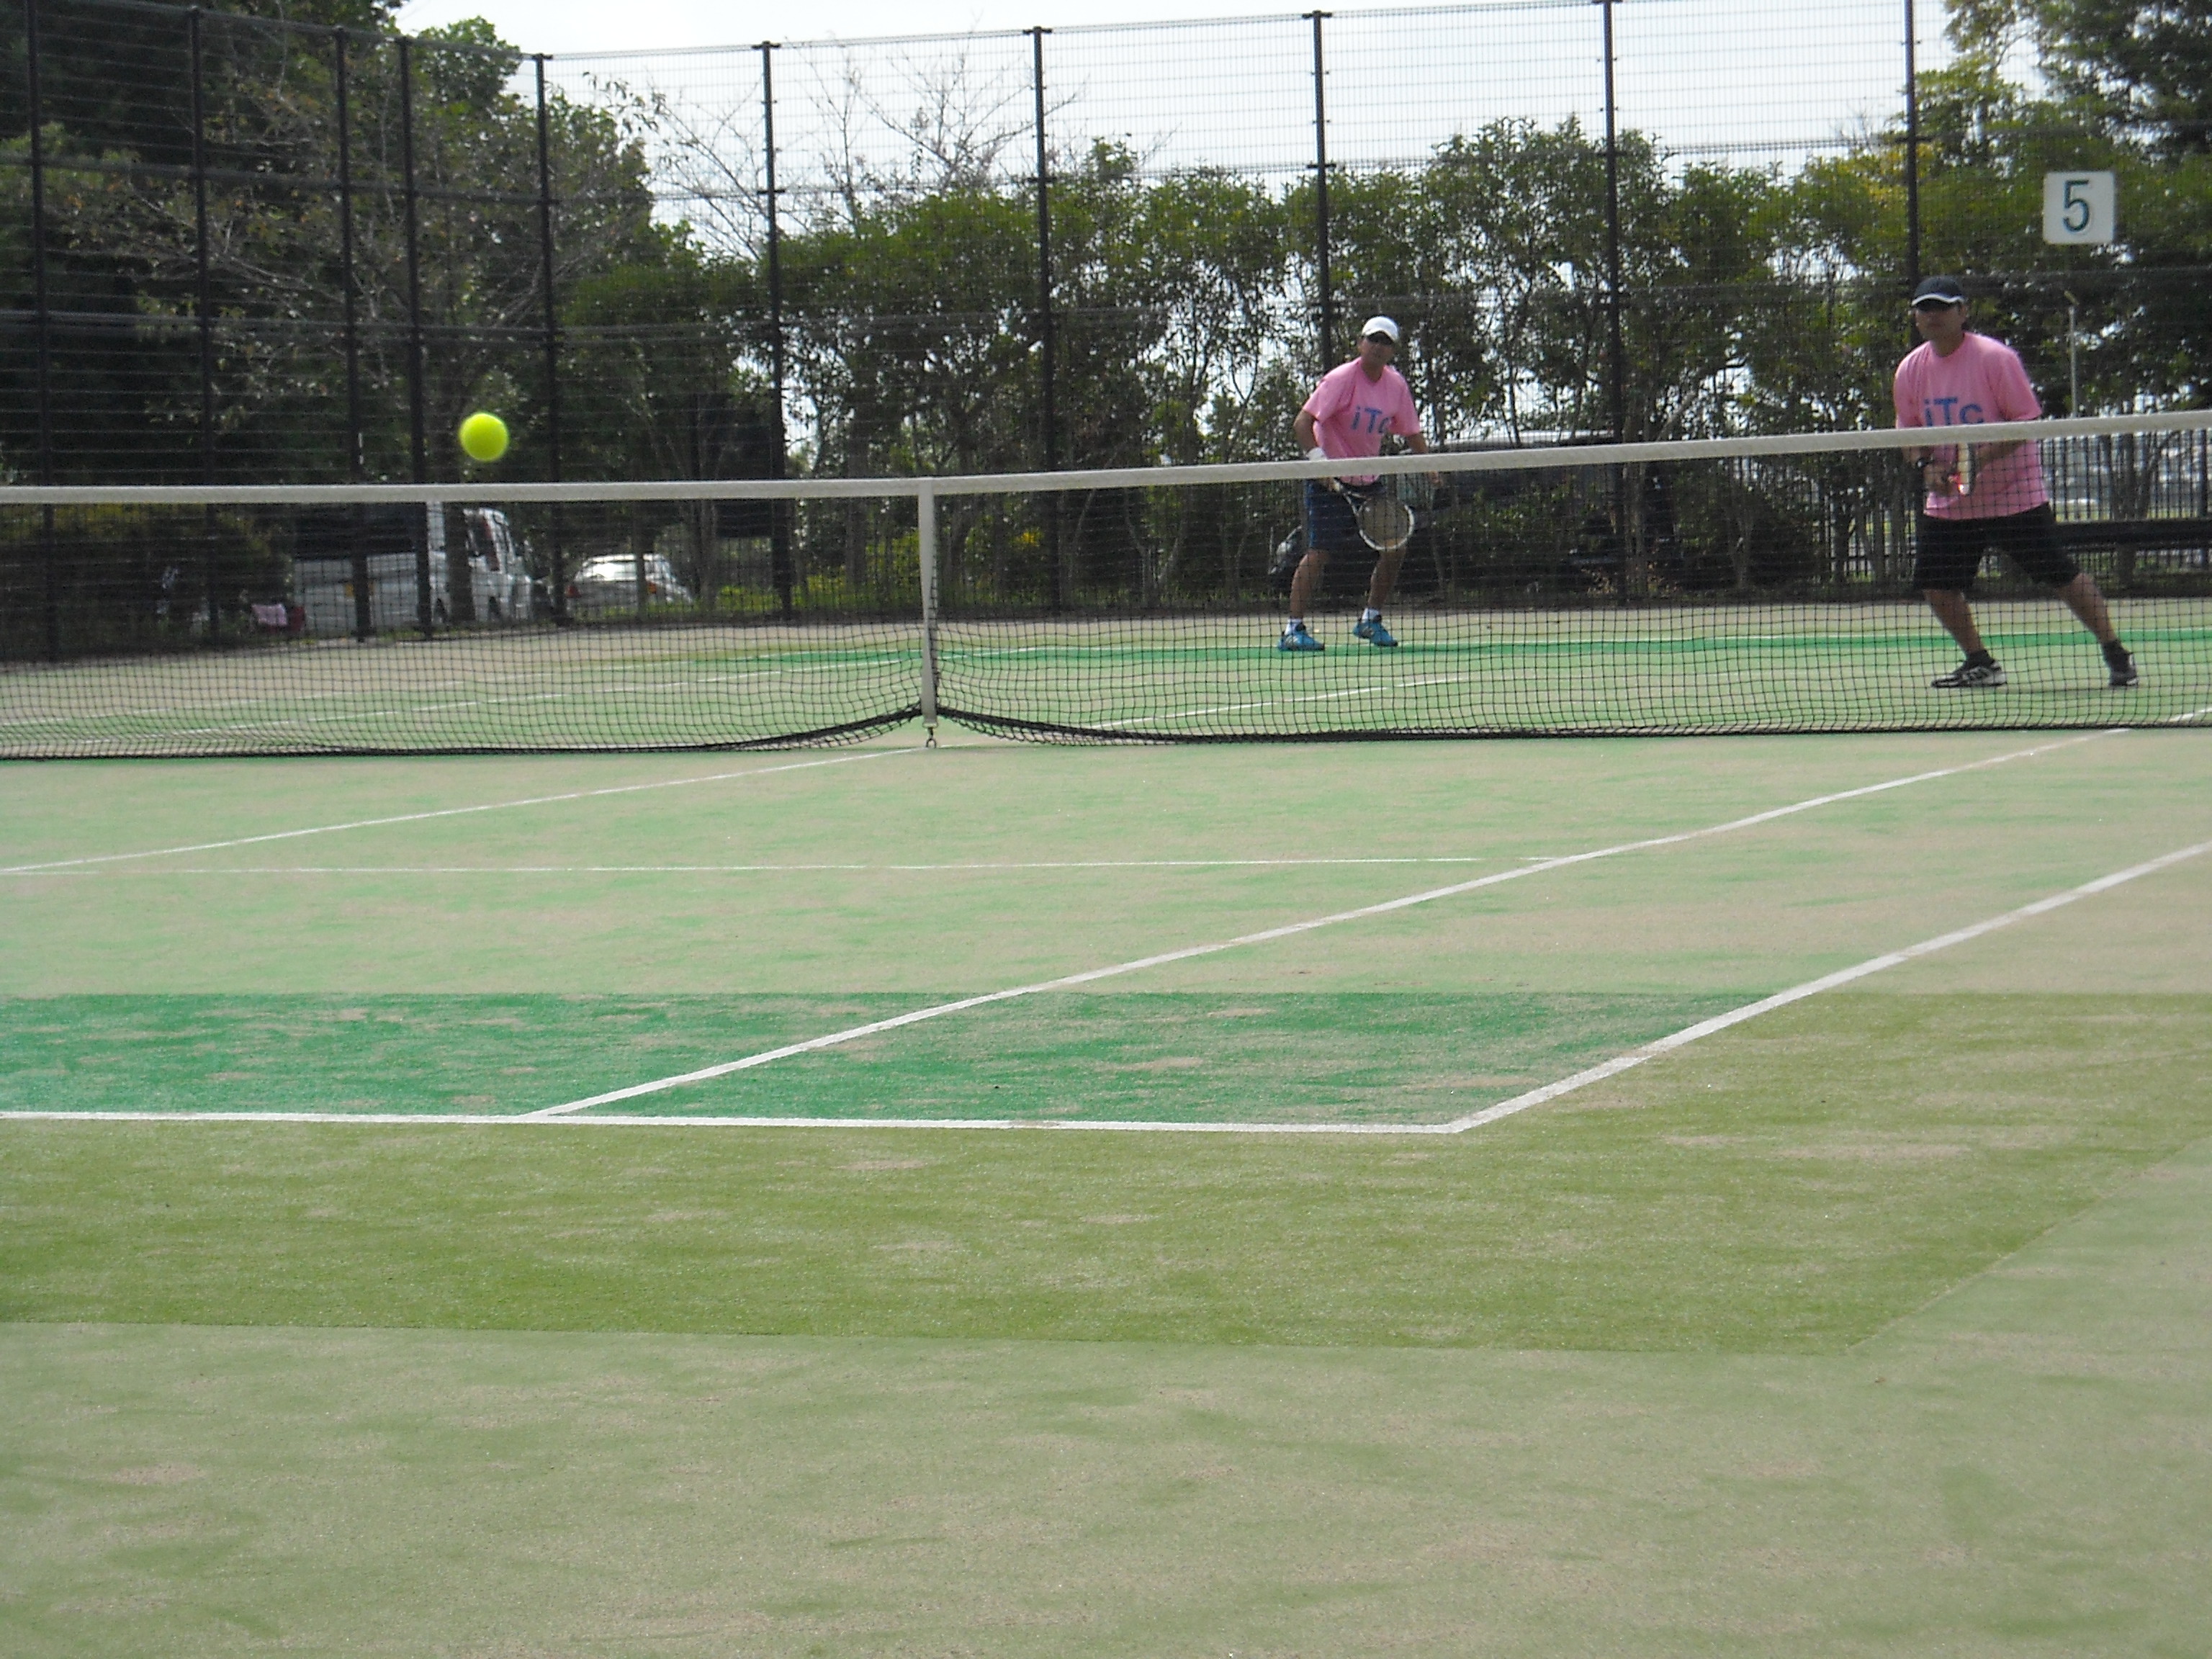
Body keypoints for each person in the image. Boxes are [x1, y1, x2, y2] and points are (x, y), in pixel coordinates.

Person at [1896, 274, 2137, 688]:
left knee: (2061, 576)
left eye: (1942, 307)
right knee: (1936, 586)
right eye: (1925, 308)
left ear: (1962, 312)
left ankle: (2115, 650)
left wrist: (1976, 460)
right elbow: (1908, 430)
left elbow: (2025, 422)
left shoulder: (1995, 358)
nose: (1932, 315)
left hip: (2014, 496)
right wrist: (1925, 468)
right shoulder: (1911, 369)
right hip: (1951, 503)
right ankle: (1979, 662)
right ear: (1915, 316)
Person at [1281, 316, 1436, 651]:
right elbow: (1303, 422)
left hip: (1369, 480)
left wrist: (1430, 466)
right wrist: (1319, 463)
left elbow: (1411, 431)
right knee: (1319, 552)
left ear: (1393, 350)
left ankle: (1370, 619)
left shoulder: (1395, 385)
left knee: (1396, 547)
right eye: (1373, 340)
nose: (1379, 346)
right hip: (1328, 481)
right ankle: (1292, 630)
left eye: (1386, 342)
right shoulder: (1341, 379)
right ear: (1360, 343)